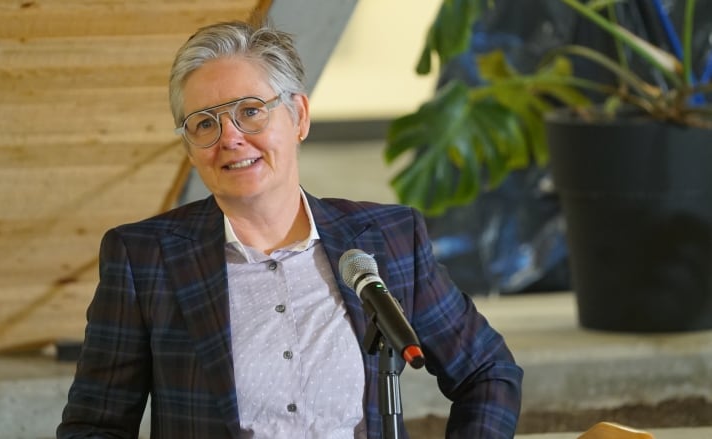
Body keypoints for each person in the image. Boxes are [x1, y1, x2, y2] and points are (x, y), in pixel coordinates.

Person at [58, 20, 522, 439]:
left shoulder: (388, 240)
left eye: (251, 111)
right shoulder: (145, 259)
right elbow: (94, 426)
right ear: (189, 148)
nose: (230, 137)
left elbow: (488, 372)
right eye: (204, 123)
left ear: (298, 115)